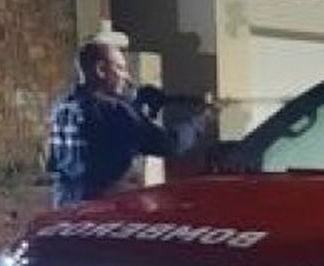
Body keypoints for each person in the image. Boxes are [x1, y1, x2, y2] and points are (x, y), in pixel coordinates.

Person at [47, 40, 211, 208]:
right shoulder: (115, 110)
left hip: (66, 208)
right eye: (120, 68)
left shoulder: (61, 105)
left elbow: (102, 143)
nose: (127, 77)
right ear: (101, 70)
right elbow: (169, 144)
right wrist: (198, 121)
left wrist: (139, 106)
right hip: (106, 210)